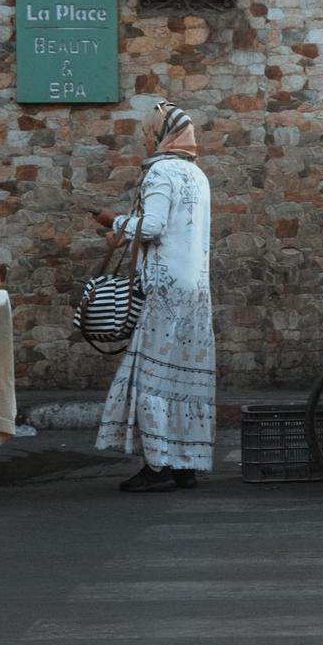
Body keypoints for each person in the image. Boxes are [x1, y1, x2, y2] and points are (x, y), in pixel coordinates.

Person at [93, 102, 216, 492]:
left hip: (165, 291)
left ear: (162, 134)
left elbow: (153, 227)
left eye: (149, 132)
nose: (146, 139)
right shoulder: (197, 175)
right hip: (195, 289)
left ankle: (159, 464)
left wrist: (113, 221)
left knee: (153, 377)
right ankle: (185, 466)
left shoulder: (161, 171)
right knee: (183, 377)